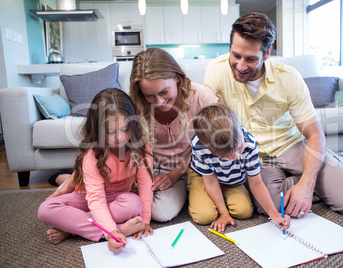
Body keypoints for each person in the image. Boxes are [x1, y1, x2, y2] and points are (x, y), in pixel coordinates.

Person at [204, 12, 343, 218]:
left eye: (250, 59)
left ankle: (332, 169)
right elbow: (212, 123)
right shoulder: (216, 71)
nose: (240, 66)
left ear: (266, 54)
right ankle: (326, 173)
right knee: (269, 206)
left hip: (291, 146)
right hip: (257, 159)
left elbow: (315, 135)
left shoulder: (288, 77)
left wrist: (307, 186)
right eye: (235, 55)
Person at [49, 48, 218, 222]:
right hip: (145, 168)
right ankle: (69, 179)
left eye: (164, 91)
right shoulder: (134, 104)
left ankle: (82, 207)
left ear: (178, 78)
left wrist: (174, 174)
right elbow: (97, 148)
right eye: (149, 96)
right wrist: (70, 183)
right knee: (113, 196)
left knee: (159, 213)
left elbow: (213, 143)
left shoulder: (202, 98)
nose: (159, 102)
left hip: (188, 167)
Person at [38, 88, 153, 253]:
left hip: (119, 200)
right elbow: (96, 199)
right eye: (111, 132)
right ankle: (117, 229)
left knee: (135, 203)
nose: (120, 137)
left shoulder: (141, 146)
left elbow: (145, 184)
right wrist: (112, 232)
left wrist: (146, 220)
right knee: (45, 209)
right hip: (87, 197)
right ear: (98, 130)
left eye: (125, 129)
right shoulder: (93, 155)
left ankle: (72, 229)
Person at [189, 103, 290, 232]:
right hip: (205, 178)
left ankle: (222, 196)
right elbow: (210, 181)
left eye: (238, 148)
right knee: (204, 216)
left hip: (233, 178)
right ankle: (195, 192)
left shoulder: (249, 142)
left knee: (244, 212)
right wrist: (224, 213)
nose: (236, 156)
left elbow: (256, 183)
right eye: (226, 156)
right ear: (209, 148)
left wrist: (274, 213)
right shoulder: (199, 145)